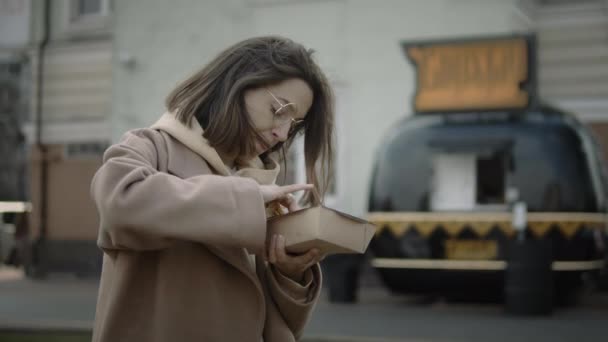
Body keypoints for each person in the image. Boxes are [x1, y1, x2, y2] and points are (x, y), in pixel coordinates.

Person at [90, 36, 334, 342]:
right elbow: (118, 204)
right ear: (236, 83)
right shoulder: (149, 146)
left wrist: (289, 271)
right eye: (279, 109)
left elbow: (277, 324)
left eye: (294, 123)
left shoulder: (261, 183)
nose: (282, 134)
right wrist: (243, 201)